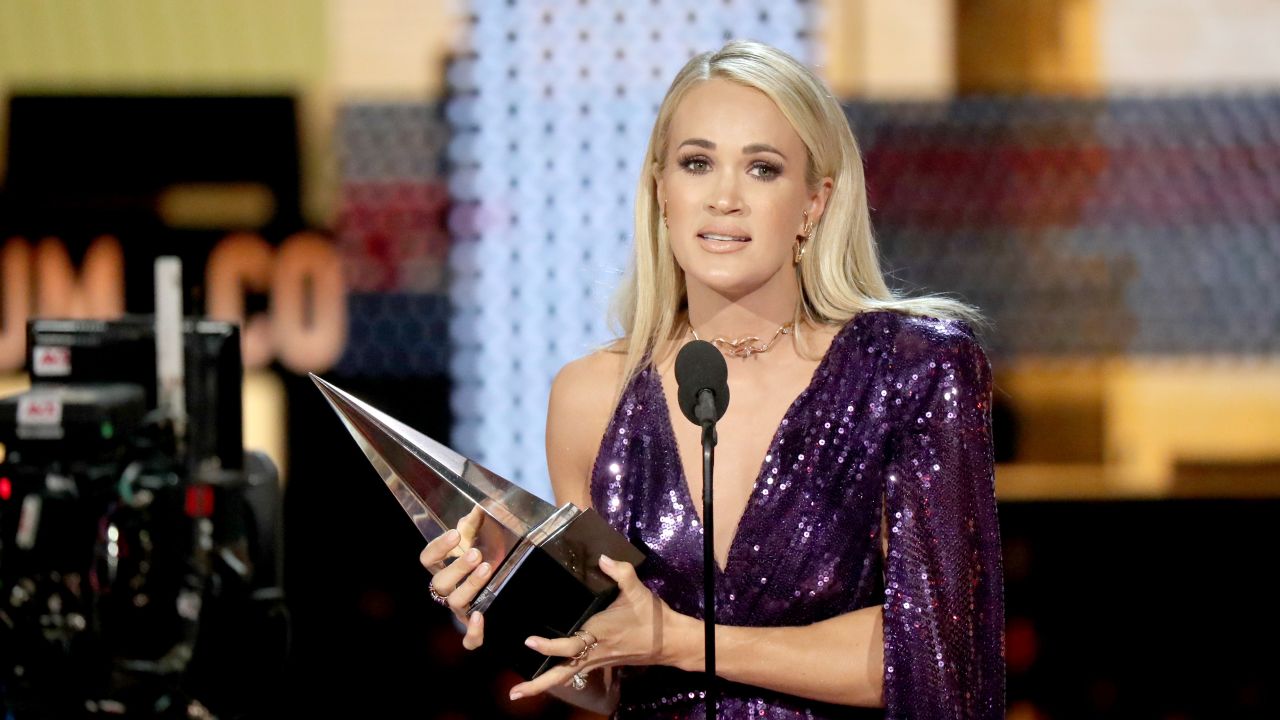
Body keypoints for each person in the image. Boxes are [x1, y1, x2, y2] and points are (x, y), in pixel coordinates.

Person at [420, 40, 1004, 719]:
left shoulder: (914, 370)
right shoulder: (589, 396)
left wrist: (679, 641)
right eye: (697, 163)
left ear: (815, 203)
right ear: (660, 191)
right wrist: (506, 599)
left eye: (762, 168)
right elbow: (604, 677)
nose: (724, 198)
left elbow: (936, 653)